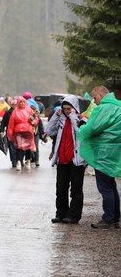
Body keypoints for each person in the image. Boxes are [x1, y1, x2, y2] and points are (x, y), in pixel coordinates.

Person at [77, 86, 121, 229]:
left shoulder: (105, 108)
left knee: (105, 187)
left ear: (101, 95)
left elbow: (93, 128)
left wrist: (81, 128)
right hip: (114, 152)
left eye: (95, 98)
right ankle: (115, 218)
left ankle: (108, 219)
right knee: (111, 186)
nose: (94, 103)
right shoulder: (118, 106)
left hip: (104, 153)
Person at [45, 95, 87, 224]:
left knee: (76, 190)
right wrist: (56, 116)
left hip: (76, 160)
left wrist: (73, 117)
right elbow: (48, 130)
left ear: (75, 108)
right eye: (65, 109)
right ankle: (61, 213)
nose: (67, 111)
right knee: (61, 188)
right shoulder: (60, 119)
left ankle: (74, 215)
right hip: (62, 159)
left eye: (69, 108)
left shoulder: (82, 119)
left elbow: (80, 133)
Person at [7, 96, 38, 171]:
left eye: (23, 102)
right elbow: (11, 124)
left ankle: (28, 161)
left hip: (28, 131)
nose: (22, 103)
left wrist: (34, 122)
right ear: (18, 102)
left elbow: (35, 119)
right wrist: (10, 134)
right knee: (19, 147)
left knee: (28, 147)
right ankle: (18, 162)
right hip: (19, 132)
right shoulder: (15, 111)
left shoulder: (29, 110)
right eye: (20, 102)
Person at [0, 99, 18, 168]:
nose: (14, 106)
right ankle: (14, 161)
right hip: (10, 132)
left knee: (19, 147)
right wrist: (1, 130)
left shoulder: (21, 112)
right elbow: (3, 122)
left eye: (16, 104)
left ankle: (19, 160)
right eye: (13, 104)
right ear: (10, 105)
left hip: (20, 132)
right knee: (12, 147)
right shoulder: (8, 113)